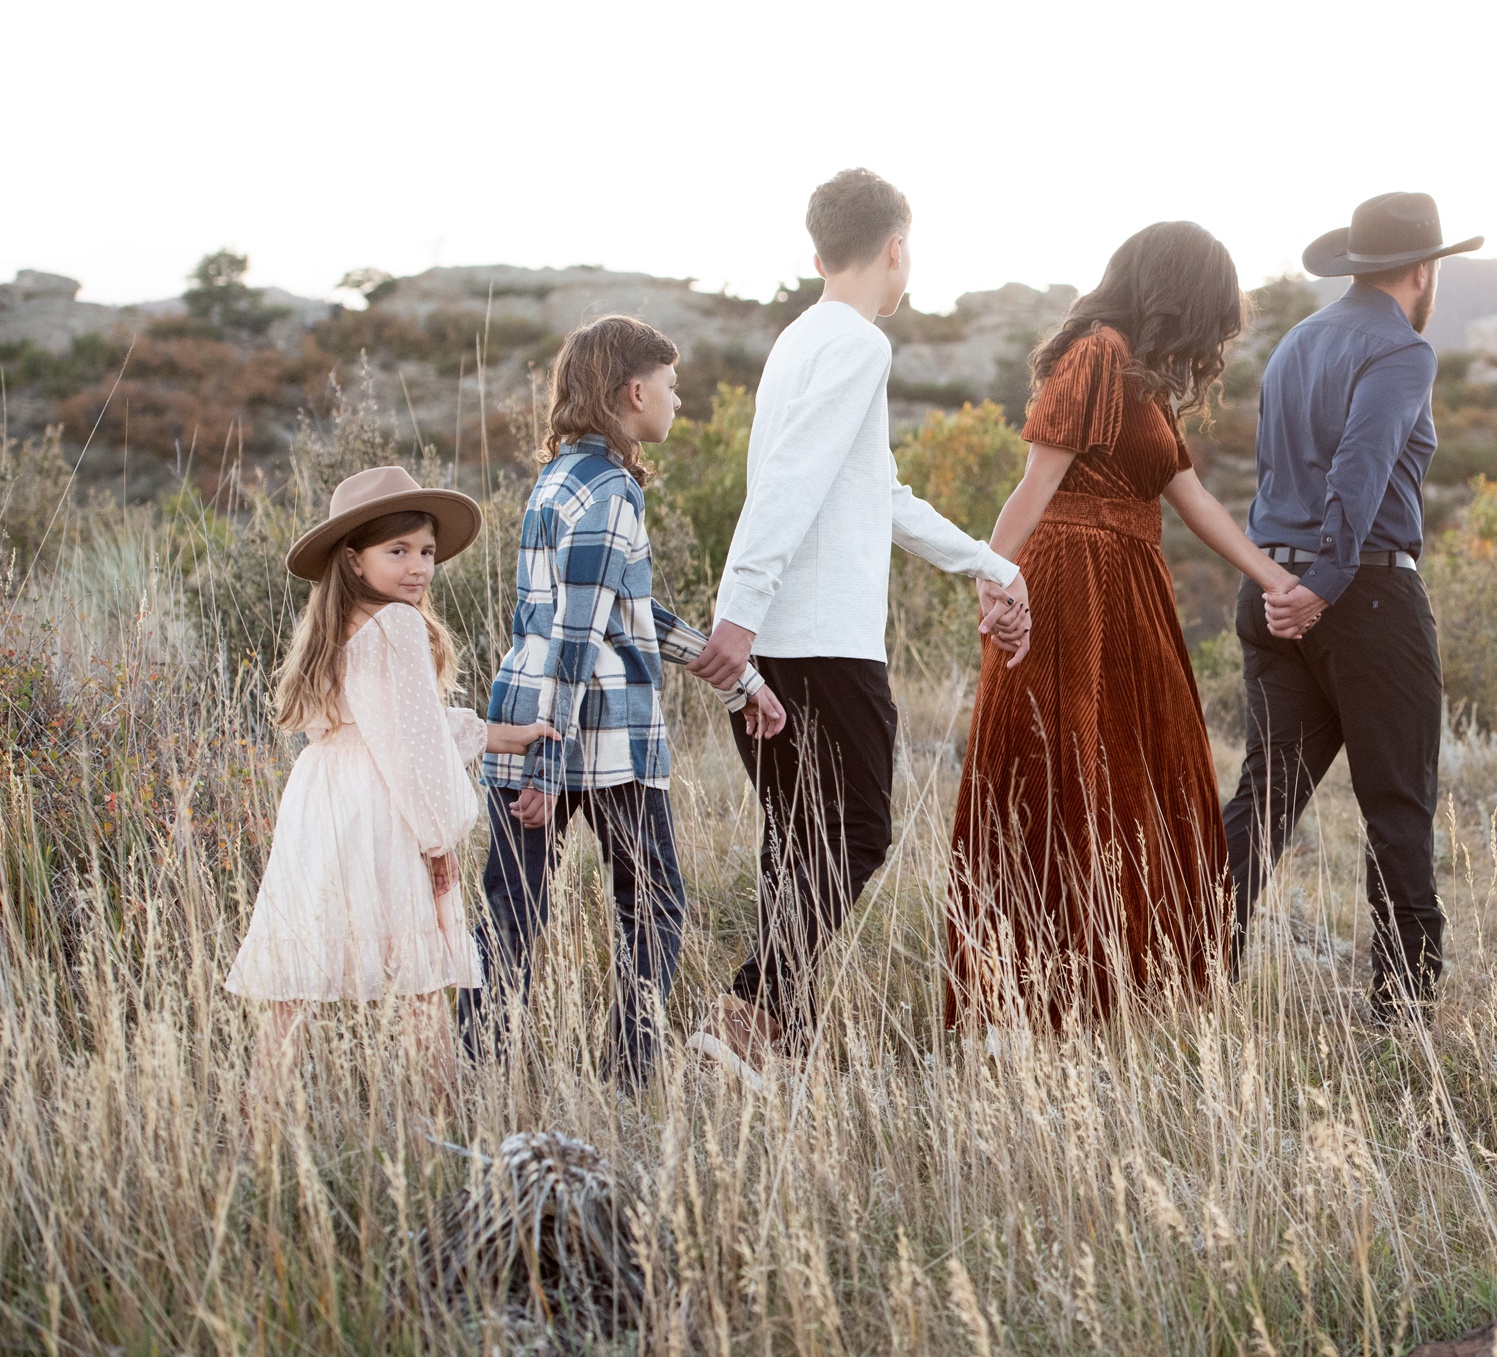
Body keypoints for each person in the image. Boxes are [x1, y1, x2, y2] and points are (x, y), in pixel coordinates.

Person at [686, 169, 1030, 1072]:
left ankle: (772, 1046)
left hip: (788, 642)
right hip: (820, 645)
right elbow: (790, 482)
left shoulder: (799, 340)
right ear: (895, 248)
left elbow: (878, 492)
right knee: (859, 833)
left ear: (816, 252)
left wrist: (991, 566)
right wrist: (740, 616)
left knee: (798, 845)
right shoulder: (857, 345)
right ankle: (750, 1013)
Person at [948, 221, 1297, 1028]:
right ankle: (1034, 996)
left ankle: (1122, 988)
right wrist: (995, 580)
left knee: (1144, 773)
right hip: (1074, 579)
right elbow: (1033, 487)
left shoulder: (1142, 378)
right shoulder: (1098, 352)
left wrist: (1279, 580)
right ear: (1178, 293)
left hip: (1133, 588)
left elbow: (1194, 500)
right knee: (1065, 776)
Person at [462, 315, 787, 1086]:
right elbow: (578, 632)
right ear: (634, 391)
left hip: (525, 714)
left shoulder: (557, 479)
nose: (678, 402)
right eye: (671, 388)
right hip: (599, 740)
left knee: (510, 911)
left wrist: (738, 678)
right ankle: (631, 1074)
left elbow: (622, 614)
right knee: (654, 905)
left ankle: (479, 1069)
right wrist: (547, 762)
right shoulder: (610, 492)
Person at [1221, 191, 1479, 1021]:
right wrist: (1325, 587)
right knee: (1398, 801)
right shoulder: (1404, 350)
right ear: (1422, 270)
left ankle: (1184, 963)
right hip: (1363, 595)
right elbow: (1358, 475)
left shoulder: (1297, 341)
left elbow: (1274, 477)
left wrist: (1285, 590)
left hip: (1272, 587)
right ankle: (1401, 1015)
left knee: (1265, 798)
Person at [228, 465, 553, 1098]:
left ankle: (257, 1125)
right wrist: (440, 838)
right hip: (382, 805)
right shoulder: (399, 625)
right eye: (397, 551)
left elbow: (398, 724)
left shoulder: (335, 628)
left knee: (297, 979)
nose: (418, 567)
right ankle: (438, 1117)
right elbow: (412, 750)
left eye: (427, 551)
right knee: (420, 979)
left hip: (320, 806)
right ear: (354, 559)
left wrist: (495, 733)